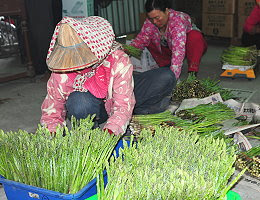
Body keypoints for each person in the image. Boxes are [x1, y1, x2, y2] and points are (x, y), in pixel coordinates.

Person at [40, 16, 135, 136]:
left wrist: (110, 132)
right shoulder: (62, 70)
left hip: (110, 104)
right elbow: (52, 108)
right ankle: (88, 129)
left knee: (160, 79)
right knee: (80, 102)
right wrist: (52, 133)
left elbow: (122, 104)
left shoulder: (118, 61)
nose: (78, 68)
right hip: (88, 105)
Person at [130, 0, 208, 77]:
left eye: (157, 18)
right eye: (151, 18)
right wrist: (126, 50)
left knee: (195, 36)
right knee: (148, 40)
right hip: (168, 48)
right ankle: (165, 65)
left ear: (167, 11)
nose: (154, 21)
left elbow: (178, 51)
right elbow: (141, 40)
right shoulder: (150, 22)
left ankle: (192, 72)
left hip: (188, 47)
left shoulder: (177, 21)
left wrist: (172, 77)